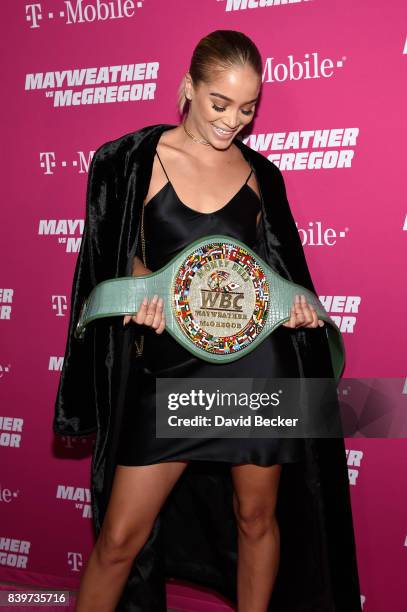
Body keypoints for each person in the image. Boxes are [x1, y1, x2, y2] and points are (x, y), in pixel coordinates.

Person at [54, 30, 362, 612]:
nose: (232, 122)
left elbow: (276, 273)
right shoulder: (133, 160)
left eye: (247, 109)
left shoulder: (261, 175)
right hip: (172, 369)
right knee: (119, 540)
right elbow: (114, 262)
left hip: (257, 369)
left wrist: (296, 310)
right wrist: (138, 302)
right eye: (220, 103)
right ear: (188, 88)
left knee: (256, 519)